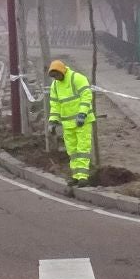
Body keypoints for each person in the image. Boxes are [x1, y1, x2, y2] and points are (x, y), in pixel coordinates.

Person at [46, 59, 95, 190]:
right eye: (53, 77)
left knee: (83, 148)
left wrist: (82, 114)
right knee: (72, 151)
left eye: (57, 75)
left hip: (82, 122)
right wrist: (52, 121)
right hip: (67, 124)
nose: (56, 78)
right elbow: (55, 105)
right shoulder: (55, 85)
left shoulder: (77, 78)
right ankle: (76, 176)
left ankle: (83, 177)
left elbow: (87, 95)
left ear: (62, 71)